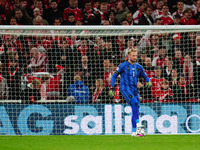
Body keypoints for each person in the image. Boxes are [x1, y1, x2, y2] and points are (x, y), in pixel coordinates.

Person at [109, 48, 152, 137]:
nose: (135, 57)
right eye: (133, 55)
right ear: (128, 56)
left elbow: (145, 75)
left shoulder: (138, 66)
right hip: (125, 88)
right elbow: (114, 76)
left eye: (136, 55)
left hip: (134, 89)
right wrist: (112, 88)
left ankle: (134, 132)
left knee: (135, 107)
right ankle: (139, 126)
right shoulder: (122, 65)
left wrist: (148, 81)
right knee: (134, 102)